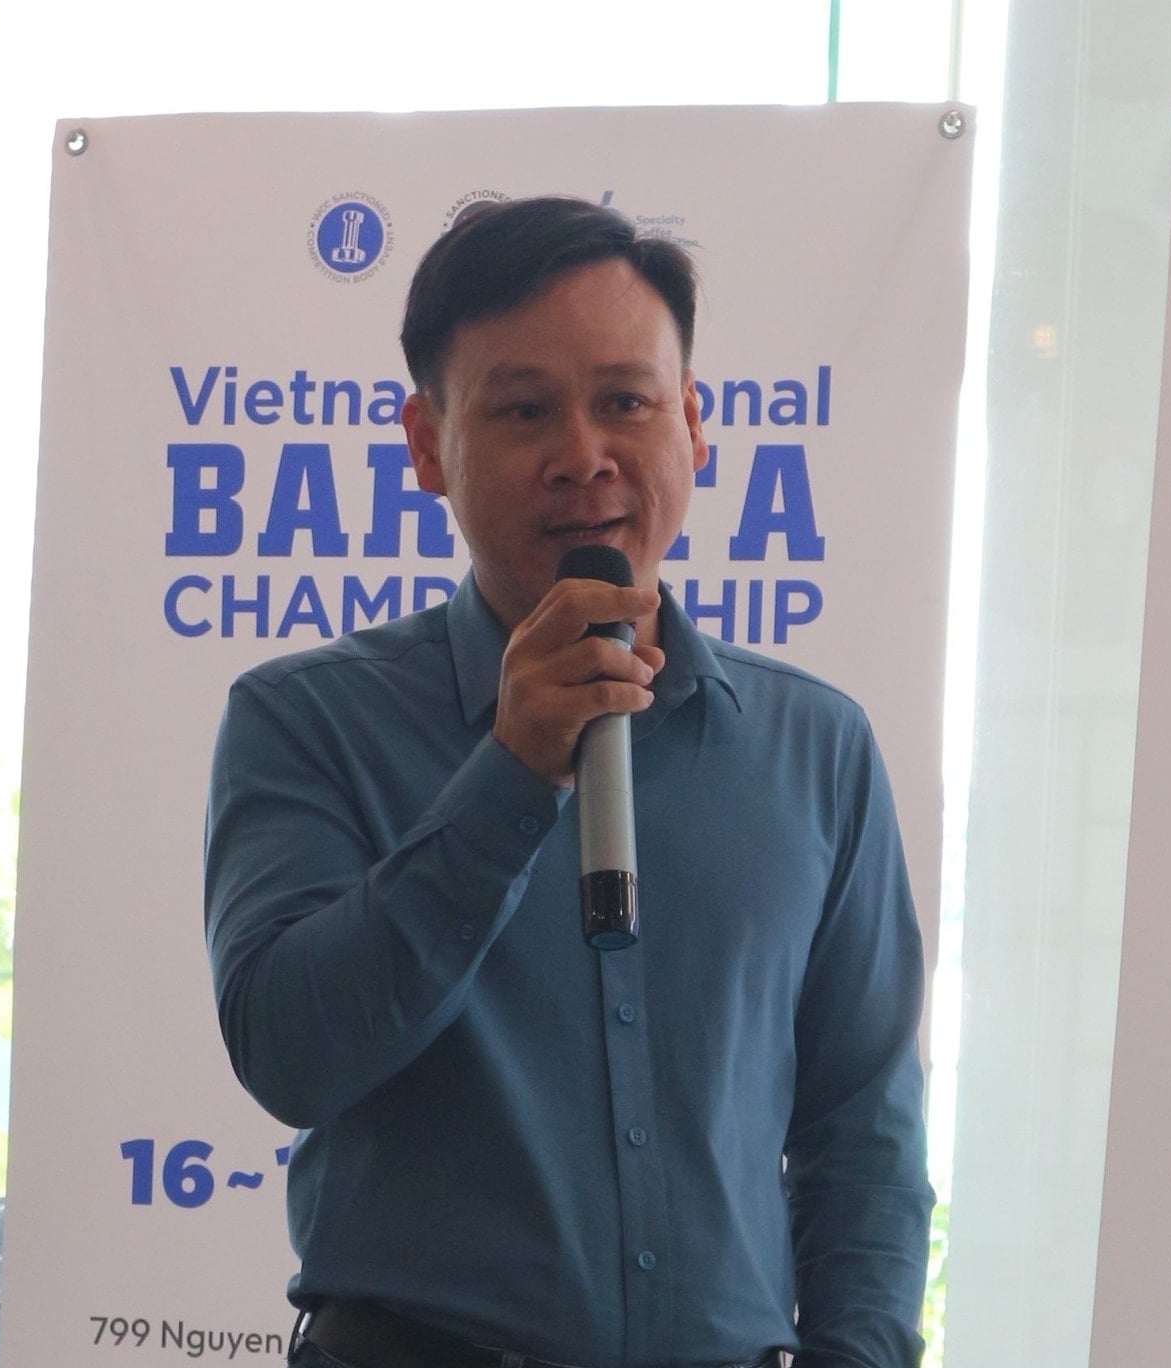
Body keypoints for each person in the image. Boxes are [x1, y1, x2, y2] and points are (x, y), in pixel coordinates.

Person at [205, 196, 932, 1368]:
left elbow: (866, 1141)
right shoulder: (306, 721)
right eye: (525, 410)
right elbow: (291, 1054)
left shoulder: (817, 748)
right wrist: (511, 772)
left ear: (692, 424)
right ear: (428, 446)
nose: (584, 456)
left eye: (627, 403)